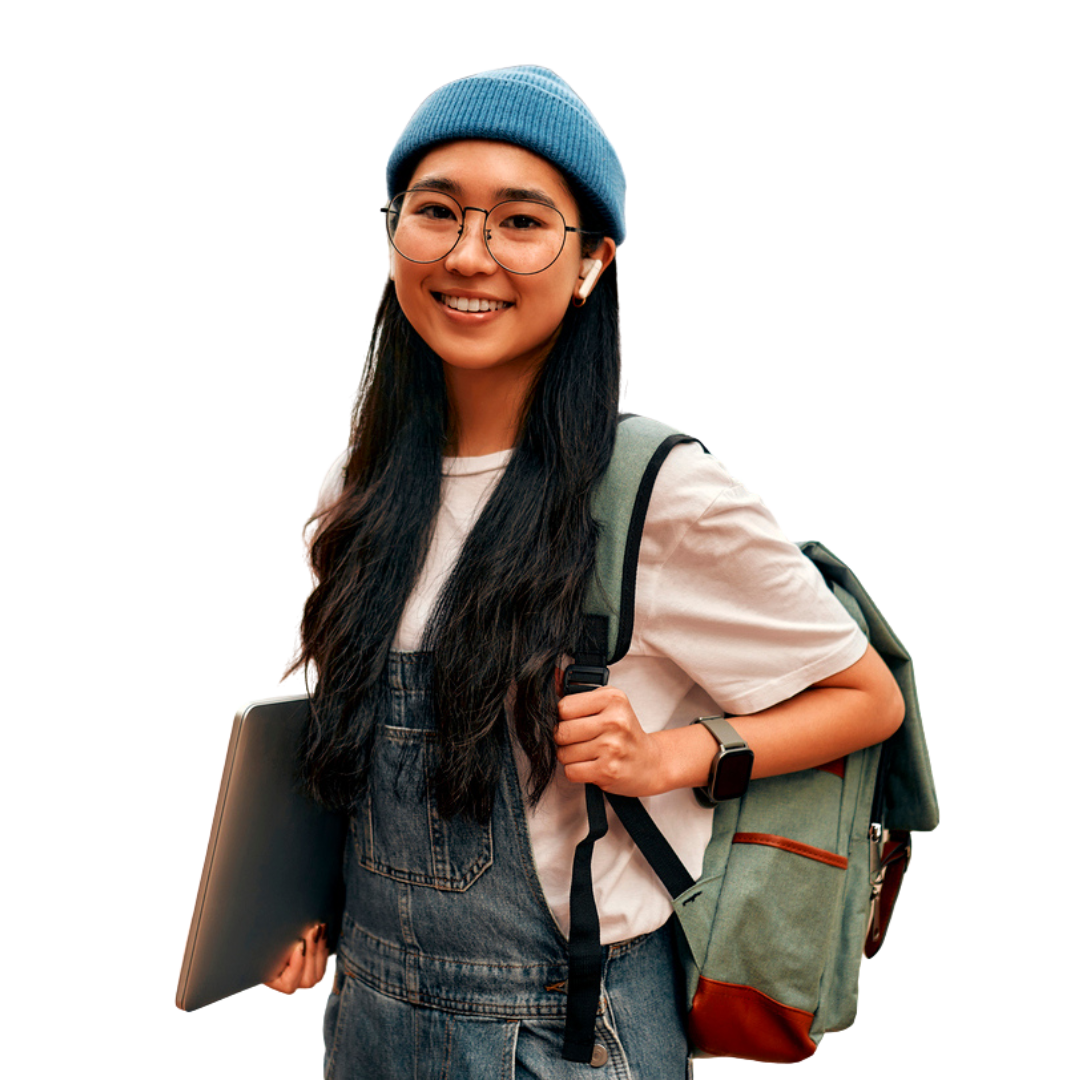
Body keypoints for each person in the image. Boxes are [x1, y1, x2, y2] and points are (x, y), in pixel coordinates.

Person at [265, 64, 905, 1079]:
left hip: (567, 1035)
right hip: (366, 1023)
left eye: (521, 223)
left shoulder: (654, 492)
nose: (469, 254)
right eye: (436, 210)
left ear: (592, 262)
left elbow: (866, 698)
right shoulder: (355, 488)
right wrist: (299, 912)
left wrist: (670, 758)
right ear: (392, 233)